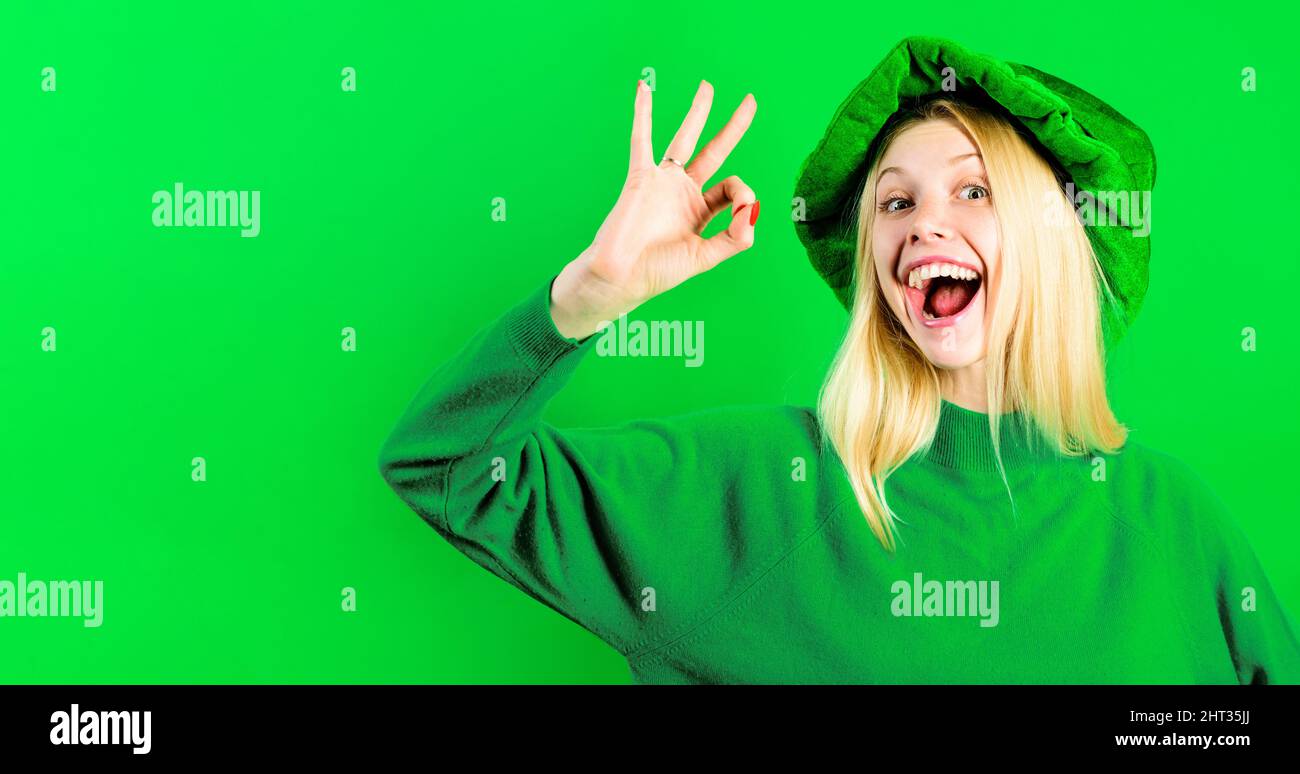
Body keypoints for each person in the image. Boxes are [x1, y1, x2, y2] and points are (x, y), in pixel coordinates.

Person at [378, 37, 1300, 684]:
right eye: (894, 204)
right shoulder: (757, 496)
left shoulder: (1170, 525)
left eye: (973, 189)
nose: (924, 223)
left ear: (1053, 240)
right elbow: (446, 466)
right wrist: (586, 300)